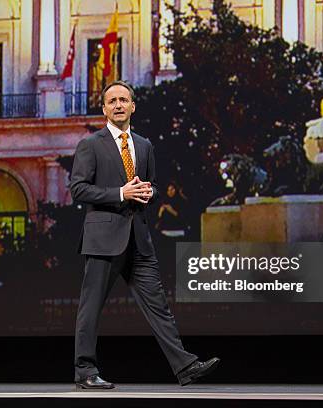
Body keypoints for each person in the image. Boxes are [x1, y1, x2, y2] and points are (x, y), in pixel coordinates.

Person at [70, 80, 219, 390]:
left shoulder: (145, 145)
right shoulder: (91, 144)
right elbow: (79, 189)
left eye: (123, 99)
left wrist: (150, 192)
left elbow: (152, 186)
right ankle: (85, 371)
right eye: (112, 101)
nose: (118, 105)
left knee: (158, 306)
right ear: (105, 109)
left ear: (132, 106)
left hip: (138, 238)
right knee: (91, 306)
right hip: (103, 238)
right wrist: (120, 193)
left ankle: (185, 367)